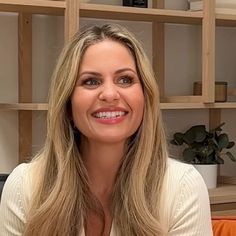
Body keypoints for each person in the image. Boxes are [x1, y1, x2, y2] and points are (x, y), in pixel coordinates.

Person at [0, 24, 213, 236]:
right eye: (91, 81)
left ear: (145, 98)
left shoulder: (183, 187)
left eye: (125, 79)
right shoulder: (24, 187)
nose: (110, 94)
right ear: (68, 105)